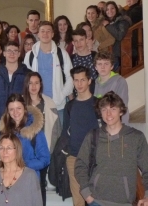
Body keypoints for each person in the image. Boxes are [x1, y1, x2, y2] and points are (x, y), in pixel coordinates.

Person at [75, 92, 148, 206]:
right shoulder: (92, 136)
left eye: (113, 109)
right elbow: (80, 165)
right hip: (96, 201)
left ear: (121, 111)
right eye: (104, 109)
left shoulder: (136, 137)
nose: (108, 114)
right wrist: (87, 195)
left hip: (125, 202)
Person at [0, 94, 50, 205]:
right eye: (11, 109)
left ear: (24, 109)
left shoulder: (35, 131)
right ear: (7, 111)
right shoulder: (2, 131)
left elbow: (45, 158)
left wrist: (21, 166)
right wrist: (1, 166)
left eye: (18, 108)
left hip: (29, 180)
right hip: (5, 180)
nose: (15, 112)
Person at [62, 66, 101, 206]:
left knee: (96, 198)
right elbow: (65, 132)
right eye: (76, 80)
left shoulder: (98, 104)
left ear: (89, 81)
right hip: (74, 157)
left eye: (82, 80)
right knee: (78, 201)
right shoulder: (70, 106)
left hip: (96, 158)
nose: (79, 84)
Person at [24, 21, 73, 126]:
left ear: (53, 34)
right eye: (42, 31)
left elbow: (70, 77)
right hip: (35, 106)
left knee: (58, 139)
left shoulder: (62, 54)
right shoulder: (30, 55)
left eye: (48, 31)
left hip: (57, 105)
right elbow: (26, 79)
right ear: (38, 34)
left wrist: (62, 95)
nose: (45, 34)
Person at [0, 131, 45, 205]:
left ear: (17, 151)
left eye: (9, 148)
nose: (5, 151)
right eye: (1, 148)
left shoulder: (30, 176)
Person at [0, 41, 31, 127]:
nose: (12, 54)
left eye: (15, 51)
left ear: (19, 54)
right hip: (0, 121)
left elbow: (32, 96)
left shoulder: (27, 74)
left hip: (20, 121)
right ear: (4, 53)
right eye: (9, 51)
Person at [22, 72, 61, 153]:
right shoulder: (20, 103)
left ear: (41, 84)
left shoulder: (49, 103)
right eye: (30, 83)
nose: (34, 86)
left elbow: (57, 130)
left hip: (45, 146)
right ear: (26, 85)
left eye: (36, 83)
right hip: (25, 147)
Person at [93, 51, 129, 125]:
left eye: (106, 64)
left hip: (115, 123)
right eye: (99, 64)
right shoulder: (94, 84)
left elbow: (123, 106)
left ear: (112, 66)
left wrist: (124, 126)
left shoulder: (119, 81)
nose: (103, 67)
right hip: (100, 125)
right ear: (95, 67)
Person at [102, 1, 132, 71]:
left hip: (118, 54)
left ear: (116, 9)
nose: (110, 11)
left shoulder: (123, 20)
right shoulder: (106, 21)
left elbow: (119, 36)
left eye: (112, 8)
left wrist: (108, 26)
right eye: (107, 9)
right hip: (108, 54)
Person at [71, 29, 98, 94]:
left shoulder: (95, 56)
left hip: (95, 95)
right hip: (77, 96)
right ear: (73, 43)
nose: (79, 43)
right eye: (76, 41)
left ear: (86, 40)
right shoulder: (71, 59)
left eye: (81, 40)